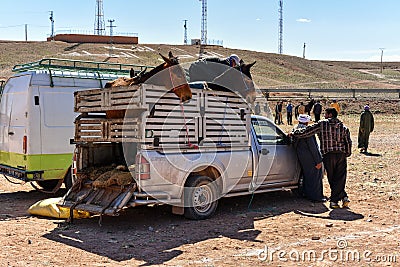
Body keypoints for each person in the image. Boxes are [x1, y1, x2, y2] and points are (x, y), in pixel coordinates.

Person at [290, 107, 352, 209]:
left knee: (332, 178)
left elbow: (307, 131)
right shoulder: (343, 127)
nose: (324, 116)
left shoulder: (322, 124)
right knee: (340, 178)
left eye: (326, 114)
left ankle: (335, 201)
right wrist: (347, 154)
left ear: (330, 115)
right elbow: (348, 142)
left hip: (328, 155)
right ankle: (343, 197)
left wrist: (294, 133)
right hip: (341, 155)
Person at [292, 114, 325, 202]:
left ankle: (306, 194)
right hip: (310, 157)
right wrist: (318, 160)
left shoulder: (295, 129)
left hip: (301, 156)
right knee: (314, 176)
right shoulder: (307, 131)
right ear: (306, 122)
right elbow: (313, 147)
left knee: (307, 176)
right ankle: (316, 197)